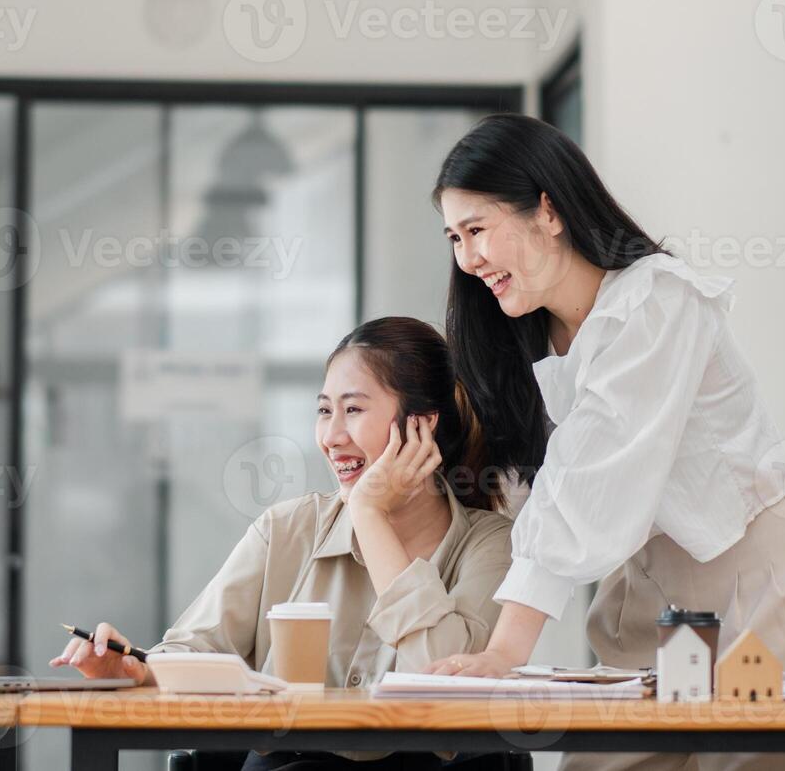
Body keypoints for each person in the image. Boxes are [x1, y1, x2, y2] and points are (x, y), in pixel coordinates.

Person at [425, 114, 785, 771]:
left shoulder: (658, 302)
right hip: (645, 591)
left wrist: (506, 651)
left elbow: (586, 475)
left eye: (478, 230)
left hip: (759, 585)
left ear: (548, 210)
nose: (468, 258)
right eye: (455, 237)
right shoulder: (525, 339)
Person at [52, 316, 514, 771]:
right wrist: (134, 669)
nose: (331, 437)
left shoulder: (489, 545)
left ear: (422, 426)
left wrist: (370, 515)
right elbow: (193, 652)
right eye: (323, 410)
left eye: (353, 410)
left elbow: (450, 691)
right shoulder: (287, 529)